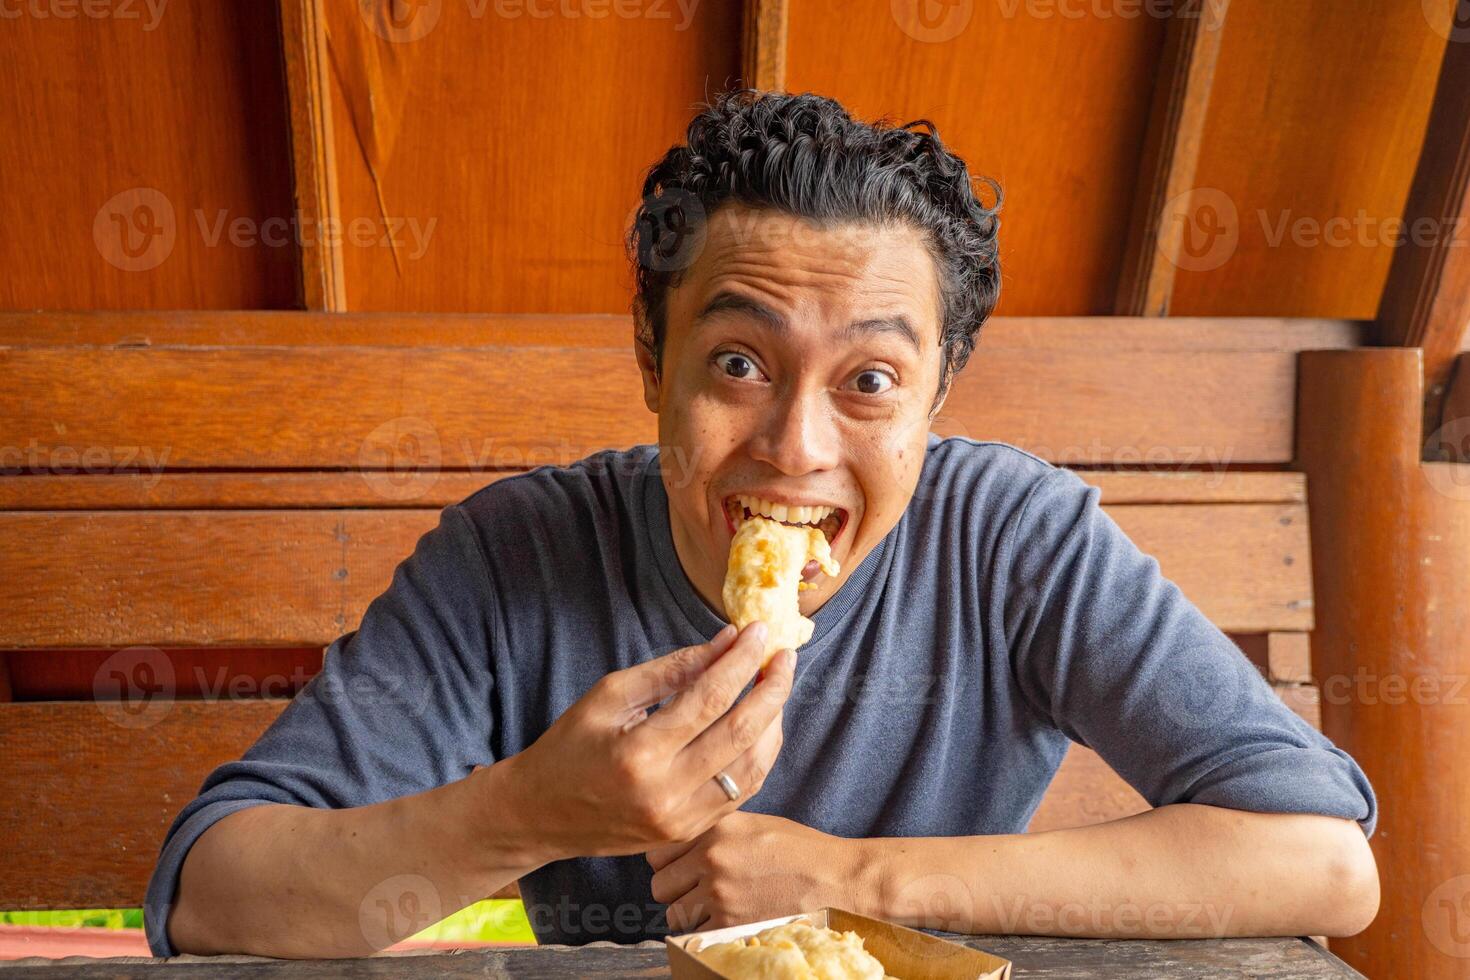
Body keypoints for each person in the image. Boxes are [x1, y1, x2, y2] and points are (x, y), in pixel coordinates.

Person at [147, 90, 1379, 958]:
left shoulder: (1013, 539)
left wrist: (852, 880)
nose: (796, 447)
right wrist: (535, 810)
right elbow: (213, 888)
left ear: (939, 395)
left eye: (871, 382)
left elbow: (1322, 860)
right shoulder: (515, 556)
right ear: (652, 357)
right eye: (738, 362)